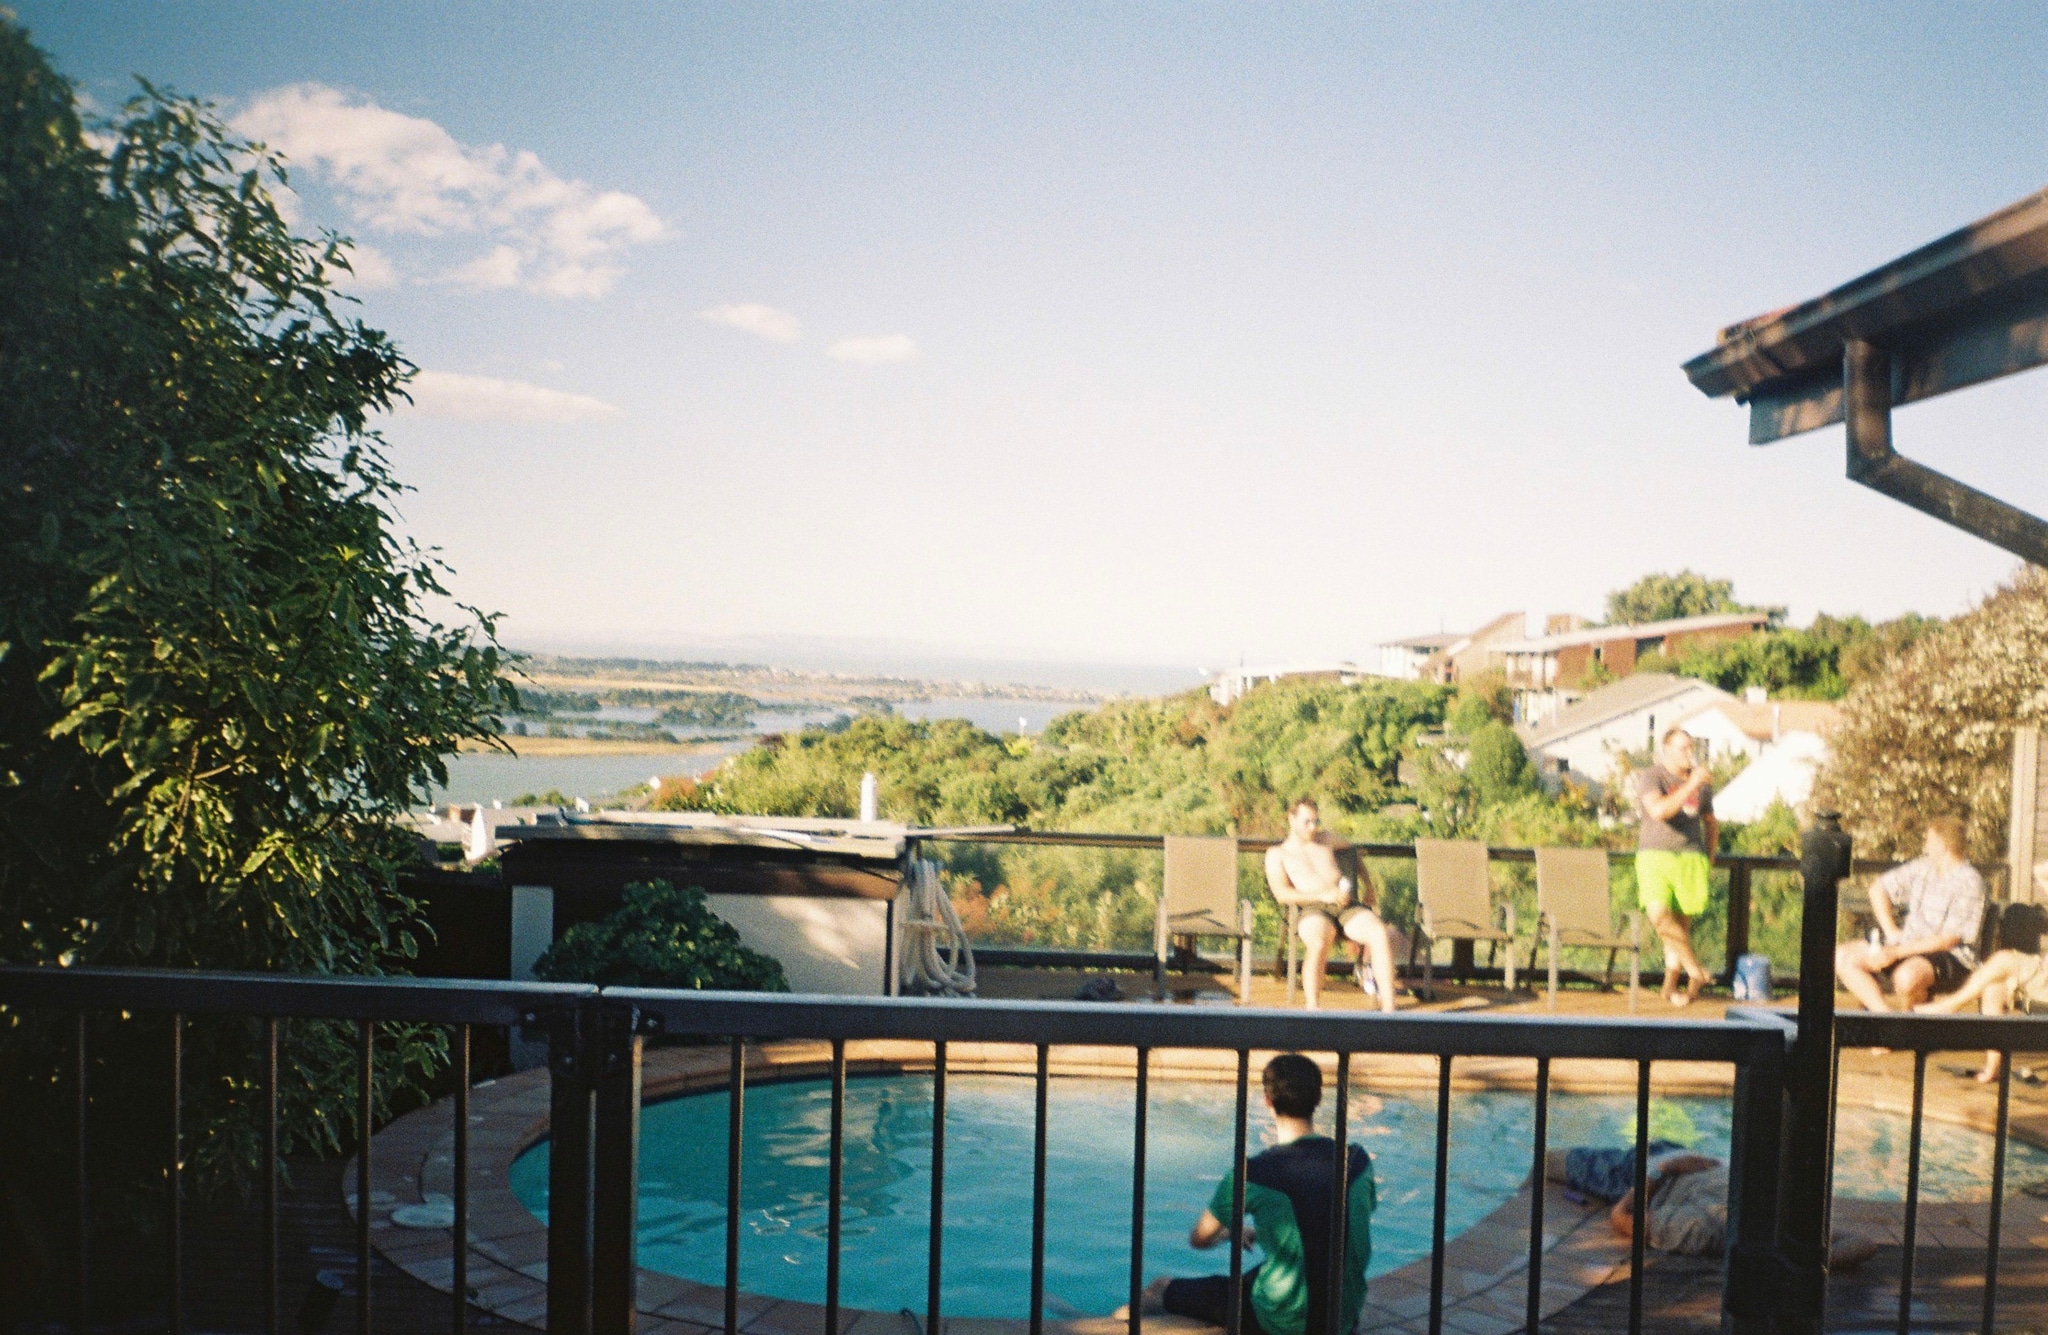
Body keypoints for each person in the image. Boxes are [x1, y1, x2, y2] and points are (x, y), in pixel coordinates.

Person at [1136, 1054, 1374, 1335]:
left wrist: (1231, 1233)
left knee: (1157, 1289)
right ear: (1318, 1098)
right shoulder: (1357, 1162)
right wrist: (1263, 1230)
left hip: (1281, 1323)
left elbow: (1199, 1238)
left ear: (1268, 1101)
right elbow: (1326, 1216)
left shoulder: (1255, 1174)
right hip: (1343, 1318)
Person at [1545, 1143, 1877, 1267]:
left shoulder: (1704, 1227)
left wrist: (1658, 1173)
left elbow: (1622, 1217)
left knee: (1550, 1161)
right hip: (1686, 1159)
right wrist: (1802, 1263)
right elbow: (1864, 1243)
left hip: (1643, 1174)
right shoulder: (1783, 1212)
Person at [1834, 815, 1984, 1013]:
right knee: (1842, 957)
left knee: (1907, 978)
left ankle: (1907, 1029)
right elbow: (1878, 889)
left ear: (1942, 846)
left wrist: (1894, 952)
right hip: (1906, 944)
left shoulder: (1970, 881)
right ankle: (1884, 1021)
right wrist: (1891, 931)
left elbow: (1949, 939)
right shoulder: (1922, 868)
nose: (1925, 847)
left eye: (1929, 841)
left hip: (1950, 956)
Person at [1265, 798, 1401, 1012]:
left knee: (1379, 933)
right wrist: (1322, 895)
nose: (1313, 827)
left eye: (1316, 821)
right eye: (1307, 822)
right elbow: (1281, 894)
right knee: (1319, 942)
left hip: (1346, 904)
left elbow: (1353, 852)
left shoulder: (1326, 839)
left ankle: (1390, 1009)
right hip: (1312, 908)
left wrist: (1368, 885)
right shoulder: (1278, 854)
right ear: (1291, 819)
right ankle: (1313, 1008)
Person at [1633, 728, 1718, 1006]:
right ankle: (1695, 971)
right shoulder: (1653, 776)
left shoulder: (1700, 783)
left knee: (1680, 927)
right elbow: (1659, 812)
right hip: (1655, 855)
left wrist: (1710, 858)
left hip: (1691, 857)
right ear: (1667, 749)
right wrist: (1692, 784)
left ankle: (1671, 988)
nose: (1689, 754)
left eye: (1691, 747)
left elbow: (1710, 821)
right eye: (1683, 748)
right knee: (1659, 916)